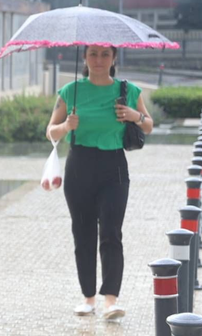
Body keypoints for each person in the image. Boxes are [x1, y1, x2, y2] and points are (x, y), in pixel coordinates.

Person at [46, 45, 153, 320]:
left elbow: (149, 124)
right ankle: (88, 297)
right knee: (82, 233)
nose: (98, 60)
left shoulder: (128, 90)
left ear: (114, 58)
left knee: (111, 232)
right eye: (93, 54)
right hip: (79, 165)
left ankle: (110, 300)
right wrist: (66, 126)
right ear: (85, 57)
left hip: (114, 168)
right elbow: (51, 131)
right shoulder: (70, 91)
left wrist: (134, 115)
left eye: (105, 54)